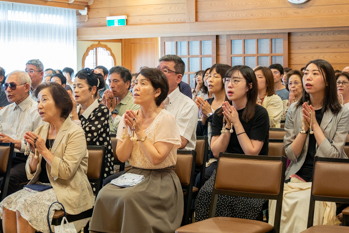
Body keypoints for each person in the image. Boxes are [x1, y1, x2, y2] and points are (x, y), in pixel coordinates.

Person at [89, 68, 183, 233]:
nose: (136, 88)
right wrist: (130, 131)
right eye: (136, 83)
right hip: (134, 175)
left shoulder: (165, 118)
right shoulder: (130, 116)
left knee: (128, 198)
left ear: (157, 91)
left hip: (160, 180)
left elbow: (156, 159)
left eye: (143, 84)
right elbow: (122, 156)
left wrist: (139, 132)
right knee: (104, 194)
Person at [0, 82, 95, 232]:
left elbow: (66, 172)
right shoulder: (41, 129)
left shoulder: (75, 132)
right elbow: (30, 171)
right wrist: (34, 156)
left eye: (44, 100)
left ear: (60, 103)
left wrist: (43, 150)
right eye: (38, 101)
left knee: (25, 209)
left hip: (68, 189)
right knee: (7, 205)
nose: (39, 106)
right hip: (42, 186)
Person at [272, 59, 349, 232]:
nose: (308, 77)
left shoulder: (342, 112)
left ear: (328, 81)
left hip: (330, 175)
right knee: (277, 199)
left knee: (304, 202)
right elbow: (291, 154)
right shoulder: (295, 109)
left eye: (315, 73)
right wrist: (304, 130)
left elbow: (334, 156)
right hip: (299, 174)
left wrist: (315, 125)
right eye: (306, 73)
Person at [195, 65, 269, 222]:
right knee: (206, 195)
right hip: (226, 169)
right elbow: (216, 152)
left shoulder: (260, 113)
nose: (229, 84)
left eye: (236, 81)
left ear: (249, 86)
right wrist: (227, 127)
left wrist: (236, 122)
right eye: (227, 80)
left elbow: (252, 152)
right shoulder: (219, 113)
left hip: (254, 171)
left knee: (240, 201)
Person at [0, 71, 43, 195]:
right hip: (5, 157)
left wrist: (16, 143)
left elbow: (39, 146)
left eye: (12, 86)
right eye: (5, 86)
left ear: (26, 87)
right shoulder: (4, 112)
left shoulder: (38, 111)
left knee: (10, 177)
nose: (7, 90)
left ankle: (6, 212)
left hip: (27, 160)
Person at [70, 68, 114, 180]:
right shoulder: (76, 110)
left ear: (93, 90)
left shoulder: (101, 110)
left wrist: (74, 115)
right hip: (74, 162)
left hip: (96, 170)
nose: (75, 90)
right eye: (74, 86)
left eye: (80, 86)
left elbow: (83, 140)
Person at [158, 54, 198, 151]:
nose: (159, 74)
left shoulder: (188, 105)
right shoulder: (150, 100)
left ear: (178, 78)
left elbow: (180, 141)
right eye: (158, 70)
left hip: (177, 160)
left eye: (165, 70)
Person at [101, 66, 139, 134]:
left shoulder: (135, 104)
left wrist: (112, 110)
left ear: (127, 84)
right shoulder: (107, 100)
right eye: (109, 81)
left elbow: (128, 130)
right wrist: (104, 107)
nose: (111, 85)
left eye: (115, 81)